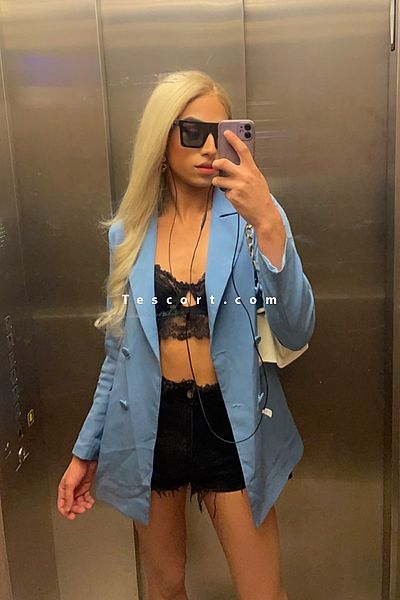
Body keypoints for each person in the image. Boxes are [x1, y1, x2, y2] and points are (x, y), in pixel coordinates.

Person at [57, 70, 315, 600]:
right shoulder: (129, 232)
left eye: (221, 134)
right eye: (193, 132)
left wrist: (268, 221)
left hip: (233, 423)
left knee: (263, 592)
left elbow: (296, 327)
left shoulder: (251, 219)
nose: (209, 148)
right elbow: (118, 356)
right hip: (152, 424)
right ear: (162, 137)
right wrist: (86, 452)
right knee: (165, 586)